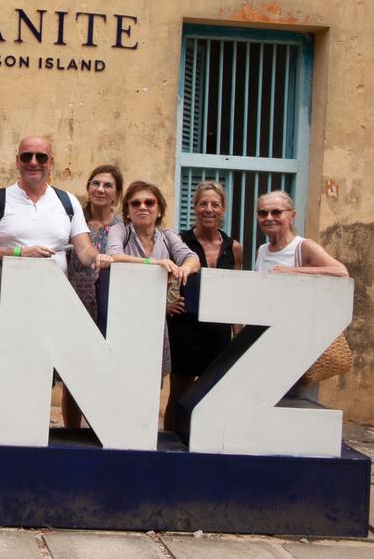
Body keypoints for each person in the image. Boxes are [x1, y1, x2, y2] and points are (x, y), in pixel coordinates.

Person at [0, 135, 113, 342]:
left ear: (51, 162)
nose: (33, 162)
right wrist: (19, 253)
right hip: (8, 305)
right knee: (11, 372)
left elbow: (85, 251)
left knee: (47, 373)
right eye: (26, 156)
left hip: (55, 303)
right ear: (17, 161)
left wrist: (99, 257)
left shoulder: (67, 201)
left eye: (41, 157)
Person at [254, 189, 349, 401]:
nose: (269, 218)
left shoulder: (303, 247)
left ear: (292, 215)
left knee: (297, 402)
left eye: (276, 212)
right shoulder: (262, 250)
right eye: (263, 213)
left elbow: (340, 272)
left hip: (299, 342)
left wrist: (292, 271)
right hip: (269, 341)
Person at [163, 181, 242, 432]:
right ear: (195, 208)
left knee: (212, 392)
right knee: (180, 391)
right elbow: (164, 276)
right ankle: (171, 443)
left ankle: (203, 442)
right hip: (185, 326)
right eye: (203, 204)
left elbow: (235, 288)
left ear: (223, 210)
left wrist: (237, 329)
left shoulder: (234, 247)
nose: (209, 209)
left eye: (215, 204)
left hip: (218, 328)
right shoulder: (179, 241)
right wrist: (167, 304)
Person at [105, 180, 201, 378]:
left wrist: (183, 269)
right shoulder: (121, 231)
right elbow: (114, 256)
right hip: (123, 319)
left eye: (149, 203)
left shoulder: (167, 236)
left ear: (159, 210)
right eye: (135, 203)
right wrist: (153, 263)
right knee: (121, 380)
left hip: (156, 324)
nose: (142, 207)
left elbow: (193, 259)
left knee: (151, 382)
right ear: (128, 210)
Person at [62, 163, 124, 429]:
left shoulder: (124, 227)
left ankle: (102, 431)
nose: (100, 189)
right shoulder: (74, 223)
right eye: (95, 183)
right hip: (76, 303)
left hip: (111, 308)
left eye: (108, 185)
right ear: (88, 188)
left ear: (117, 194)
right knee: (73, 374)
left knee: (106, 373)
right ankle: (71, 432)